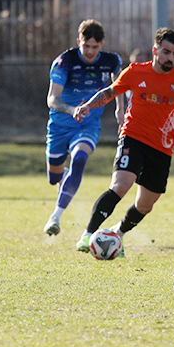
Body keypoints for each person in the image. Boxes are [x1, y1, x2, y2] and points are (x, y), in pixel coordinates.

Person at [72, 28, 174, 254]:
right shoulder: (135, 71)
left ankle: (117, 234)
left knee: (145, 204)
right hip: (133, 137)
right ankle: (87, 234)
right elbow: (110, 92)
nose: (170, 58)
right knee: (120, 185)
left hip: (162, 148)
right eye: (166, 52)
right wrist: (88, 106)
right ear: (155, 50)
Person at [43, 20, 124, 236]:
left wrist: (120, 109)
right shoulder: (64, 62)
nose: (89, 51)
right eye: (86, 46)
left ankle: (55, 217)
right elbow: (52, 99)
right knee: (53, 178)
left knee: (79, 159)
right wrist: (72, 110)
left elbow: (119, 85)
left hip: (88, 124)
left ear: (101, 45)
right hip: (60, 126)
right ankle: (63, 177)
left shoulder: (111, 61)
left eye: (94, 47)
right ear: (79, 42)